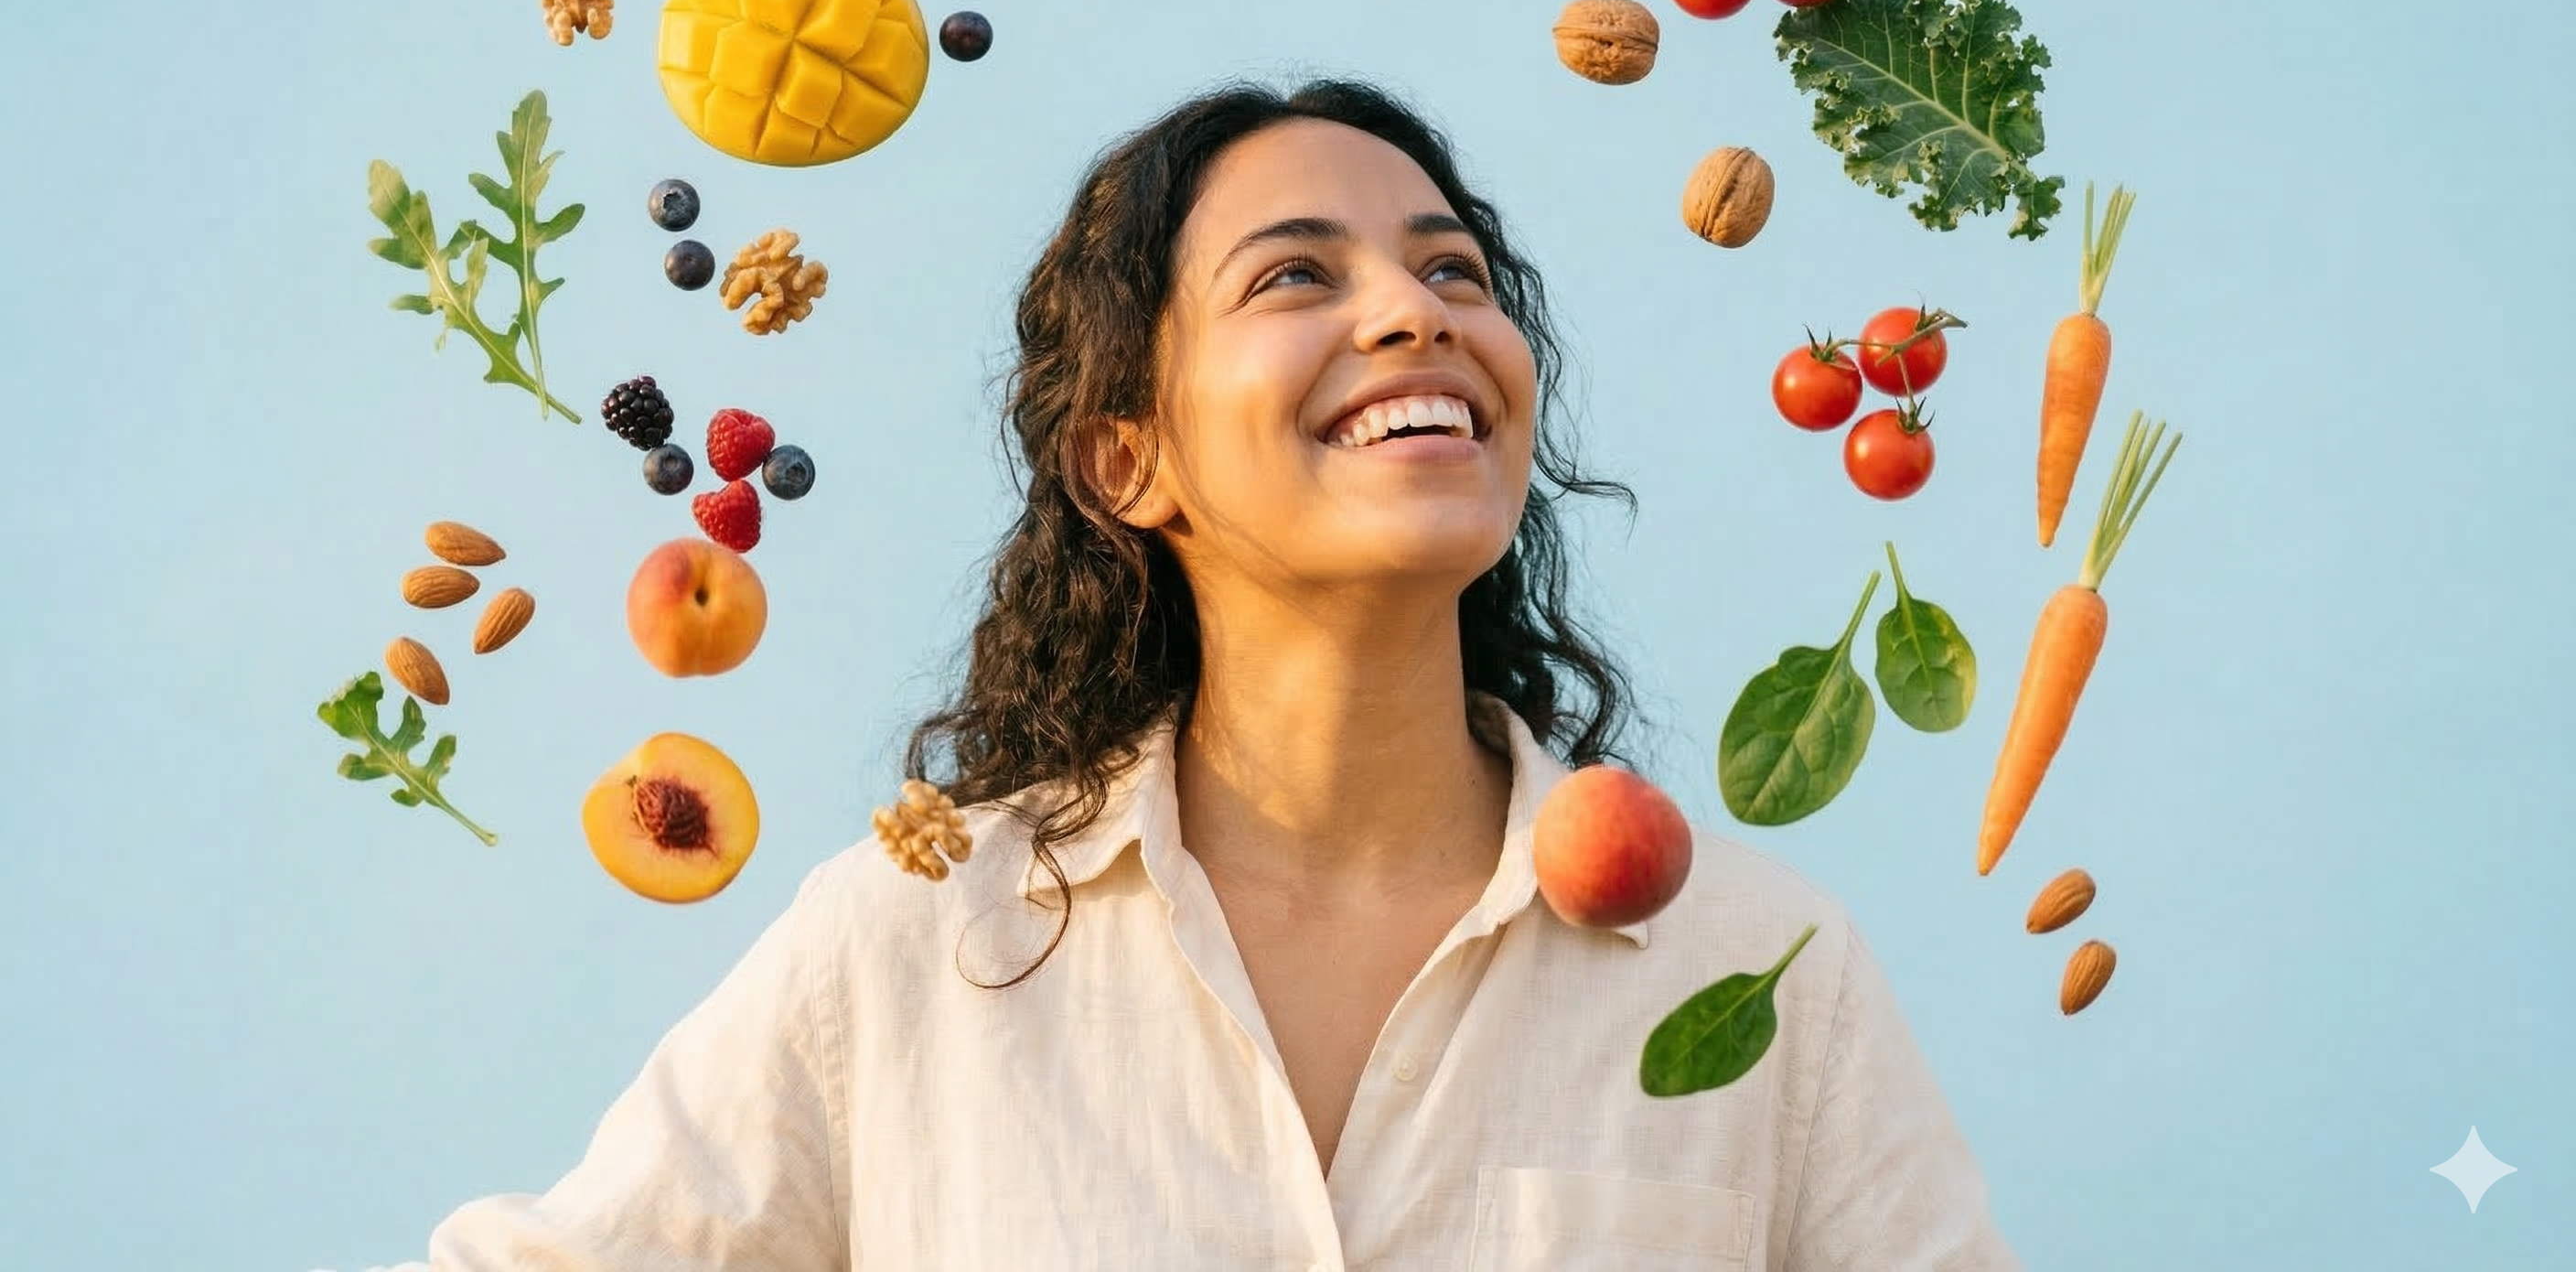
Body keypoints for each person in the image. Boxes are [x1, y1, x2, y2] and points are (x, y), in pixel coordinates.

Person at [379, 76, 2020, 1270]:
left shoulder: (1755, 969)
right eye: (1298, 274)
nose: (1416, 314)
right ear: (1125, 460)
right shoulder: (921, 940)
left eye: (1455, 272)